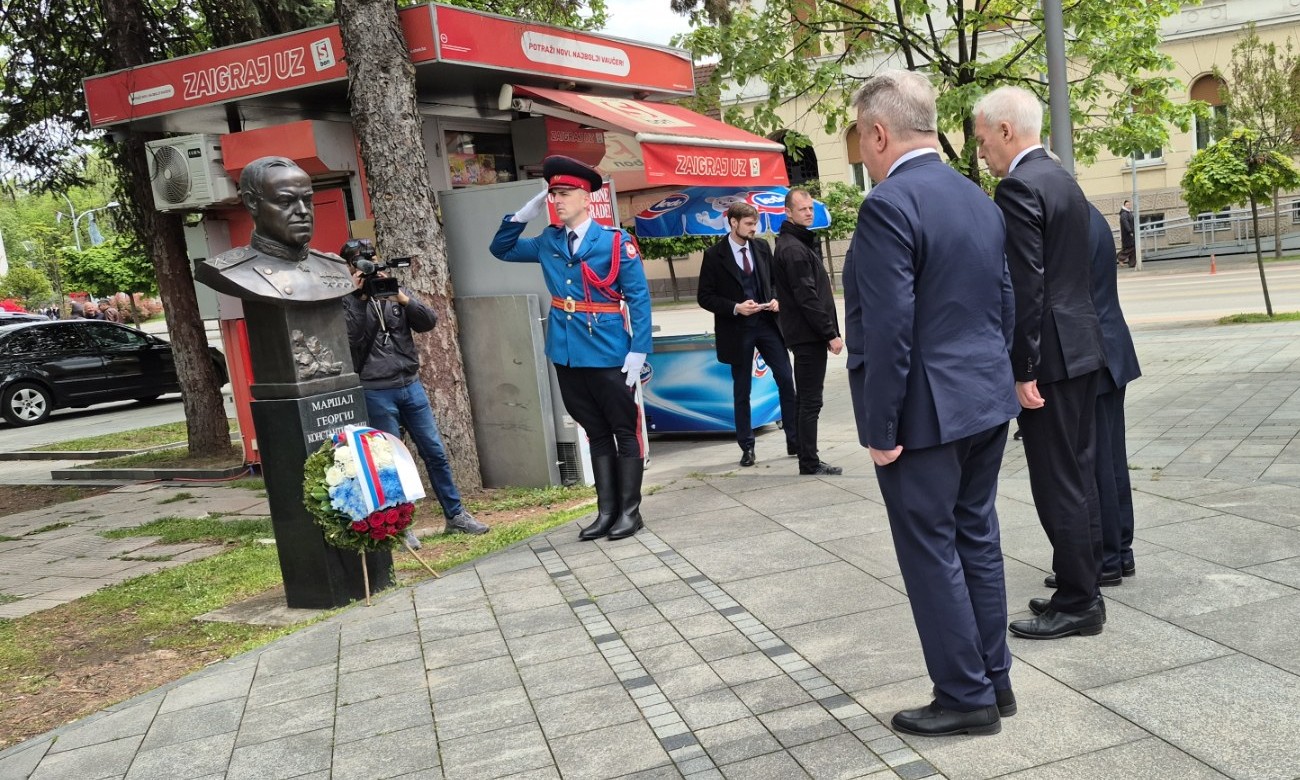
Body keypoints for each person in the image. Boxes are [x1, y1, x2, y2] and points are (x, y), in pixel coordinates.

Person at [846, 69, 1020, 738]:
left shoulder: (889, 205)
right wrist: (989, 380)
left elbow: (890, 328)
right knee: (976, 537)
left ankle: (964, 696)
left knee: (930, 552)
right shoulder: (977, 197)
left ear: (880, 132)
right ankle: (994, 682)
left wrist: (881, 427)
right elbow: (1002, 304)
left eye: (861, 138)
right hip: (982, 400)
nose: (862, 153)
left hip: (923, 415)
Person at [973, 86, 1108, 640]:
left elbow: (1027, 288)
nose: (982, 154)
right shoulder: (1062, 179)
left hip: (1048, 358)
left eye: (983, 141)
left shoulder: (1019, 187)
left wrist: (1022, 369)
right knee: (1079, 474)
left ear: (1007, 131)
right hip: (1080, 345)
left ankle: (1079, 602)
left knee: (1057, 482)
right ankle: (1083, 585)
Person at [490, 156, 653, 541]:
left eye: (564, 193)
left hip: (609, 349)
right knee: (595, 429)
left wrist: (639, 350)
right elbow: (501, 250)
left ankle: (630, 512)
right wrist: (520, 215)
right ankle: (606, 512)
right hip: (566, 351)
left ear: (585, 197)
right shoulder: (548, 240)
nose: (556, 201)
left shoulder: (615, 242)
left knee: (622, 429)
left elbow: (639, 299)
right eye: (552, 195)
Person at [340, 239, 489, 545]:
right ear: (348, 267)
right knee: (389, 462)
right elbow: (351, 339)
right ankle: (400, 526)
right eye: (357, 261)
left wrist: (401, 297)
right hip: (376, 390)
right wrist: (356, 296)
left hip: (411, 385)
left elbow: (428, 322)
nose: (365, 265)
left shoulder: (392, 290)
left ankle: (456, 516)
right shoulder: (345, 300)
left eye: (369, 258)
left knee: (434, 452)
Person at [697, 201, 799, 467]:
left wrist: (776, 299)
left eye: (755, 224)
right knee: (742, 390)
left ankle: (794, 438)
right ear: (733, 222)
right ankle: (747, 447)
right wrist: (735, 307)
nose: (755, 229)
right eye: (750, 224)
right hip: (737, 330)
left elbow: (776, 282)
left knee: (786, 380)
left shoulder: (763, 248)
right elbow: (704, 297)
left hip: (767, 324)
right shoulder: (714, 255)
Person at [195, 157, 353, 305]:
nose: (303, 211)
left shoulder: (335, 266)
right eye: (285, 202)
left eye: (307, 200)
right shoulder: (231, 270)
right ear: (252, 203)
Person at [1088, 203, 1142, 582]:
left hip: (1093, 355)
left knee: (1099, 464)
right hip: (1111, 349)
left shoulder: (1067, 216)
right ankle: (1121, 552)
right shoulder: (1090, 213)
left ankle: (1108, 558)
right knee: (1112, 459)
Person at [772, 187, 842, 476]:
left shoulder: (795, 243)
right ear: (789, 212)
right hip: (808, 335)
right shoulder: (793, 248)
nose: (809, 213)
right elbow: (807, 297)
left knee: (806, 399)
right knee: (811, 400)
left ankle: (807, 458)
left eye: (811, 208)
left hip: (804, 334)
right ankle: (809, 461)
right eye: (803, 209)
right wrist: (830, 333)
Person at [1118, 200, 1135, 268]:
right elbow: (1126, 223)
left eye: (1129, 204)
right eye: (1127, 204)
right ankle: (1120, 257)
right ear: (1124, 206)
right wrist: (1130, 231)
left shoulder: (1128, 213)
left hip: (1130, 233)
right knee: (1131, 248)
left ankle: (1132, 263)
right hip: (1127, 235)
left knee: (1133, 249)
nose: (1129, 206)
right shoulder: (1124, 214)